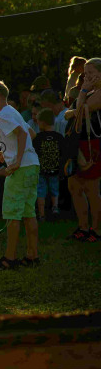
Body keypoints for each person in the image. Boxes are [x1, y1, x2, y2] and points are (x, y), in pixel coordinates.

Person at [0, 81, 41, 269]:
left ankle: (9, 258)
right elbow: (31, 133)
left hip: (21, 169)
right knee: (28, 212)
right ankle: (32, 255)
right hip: (32, 166)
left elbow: (23, 135)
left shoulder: (4, 114)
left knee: (12, 214)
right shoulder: (12, 111)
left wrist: (15, 161)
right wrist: (6, 153)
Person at [67, 58, 101, 242]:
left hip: (93, 143)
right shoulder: (90, 92)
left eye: (90, 73)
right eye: (85, 73)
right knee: (74, 185)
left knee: (91, 187)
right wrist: (78, 107)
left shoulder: (97, 93)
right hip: (78, 142)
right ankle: (83, 226)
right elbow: (69, 113)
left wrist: (83, 92)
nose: (86, 77)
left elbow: (78, 110)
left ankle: (95, 229)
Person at [33, 109, 63, 220]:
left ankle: (41, 214)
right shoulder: (59, 137)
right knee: (54, 189)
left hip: (41, 169)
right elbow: (62, 152)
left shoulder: (37, 138)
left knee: (41, 191)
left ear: (42, 122)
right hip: (55, 168)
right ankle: (55, 207)